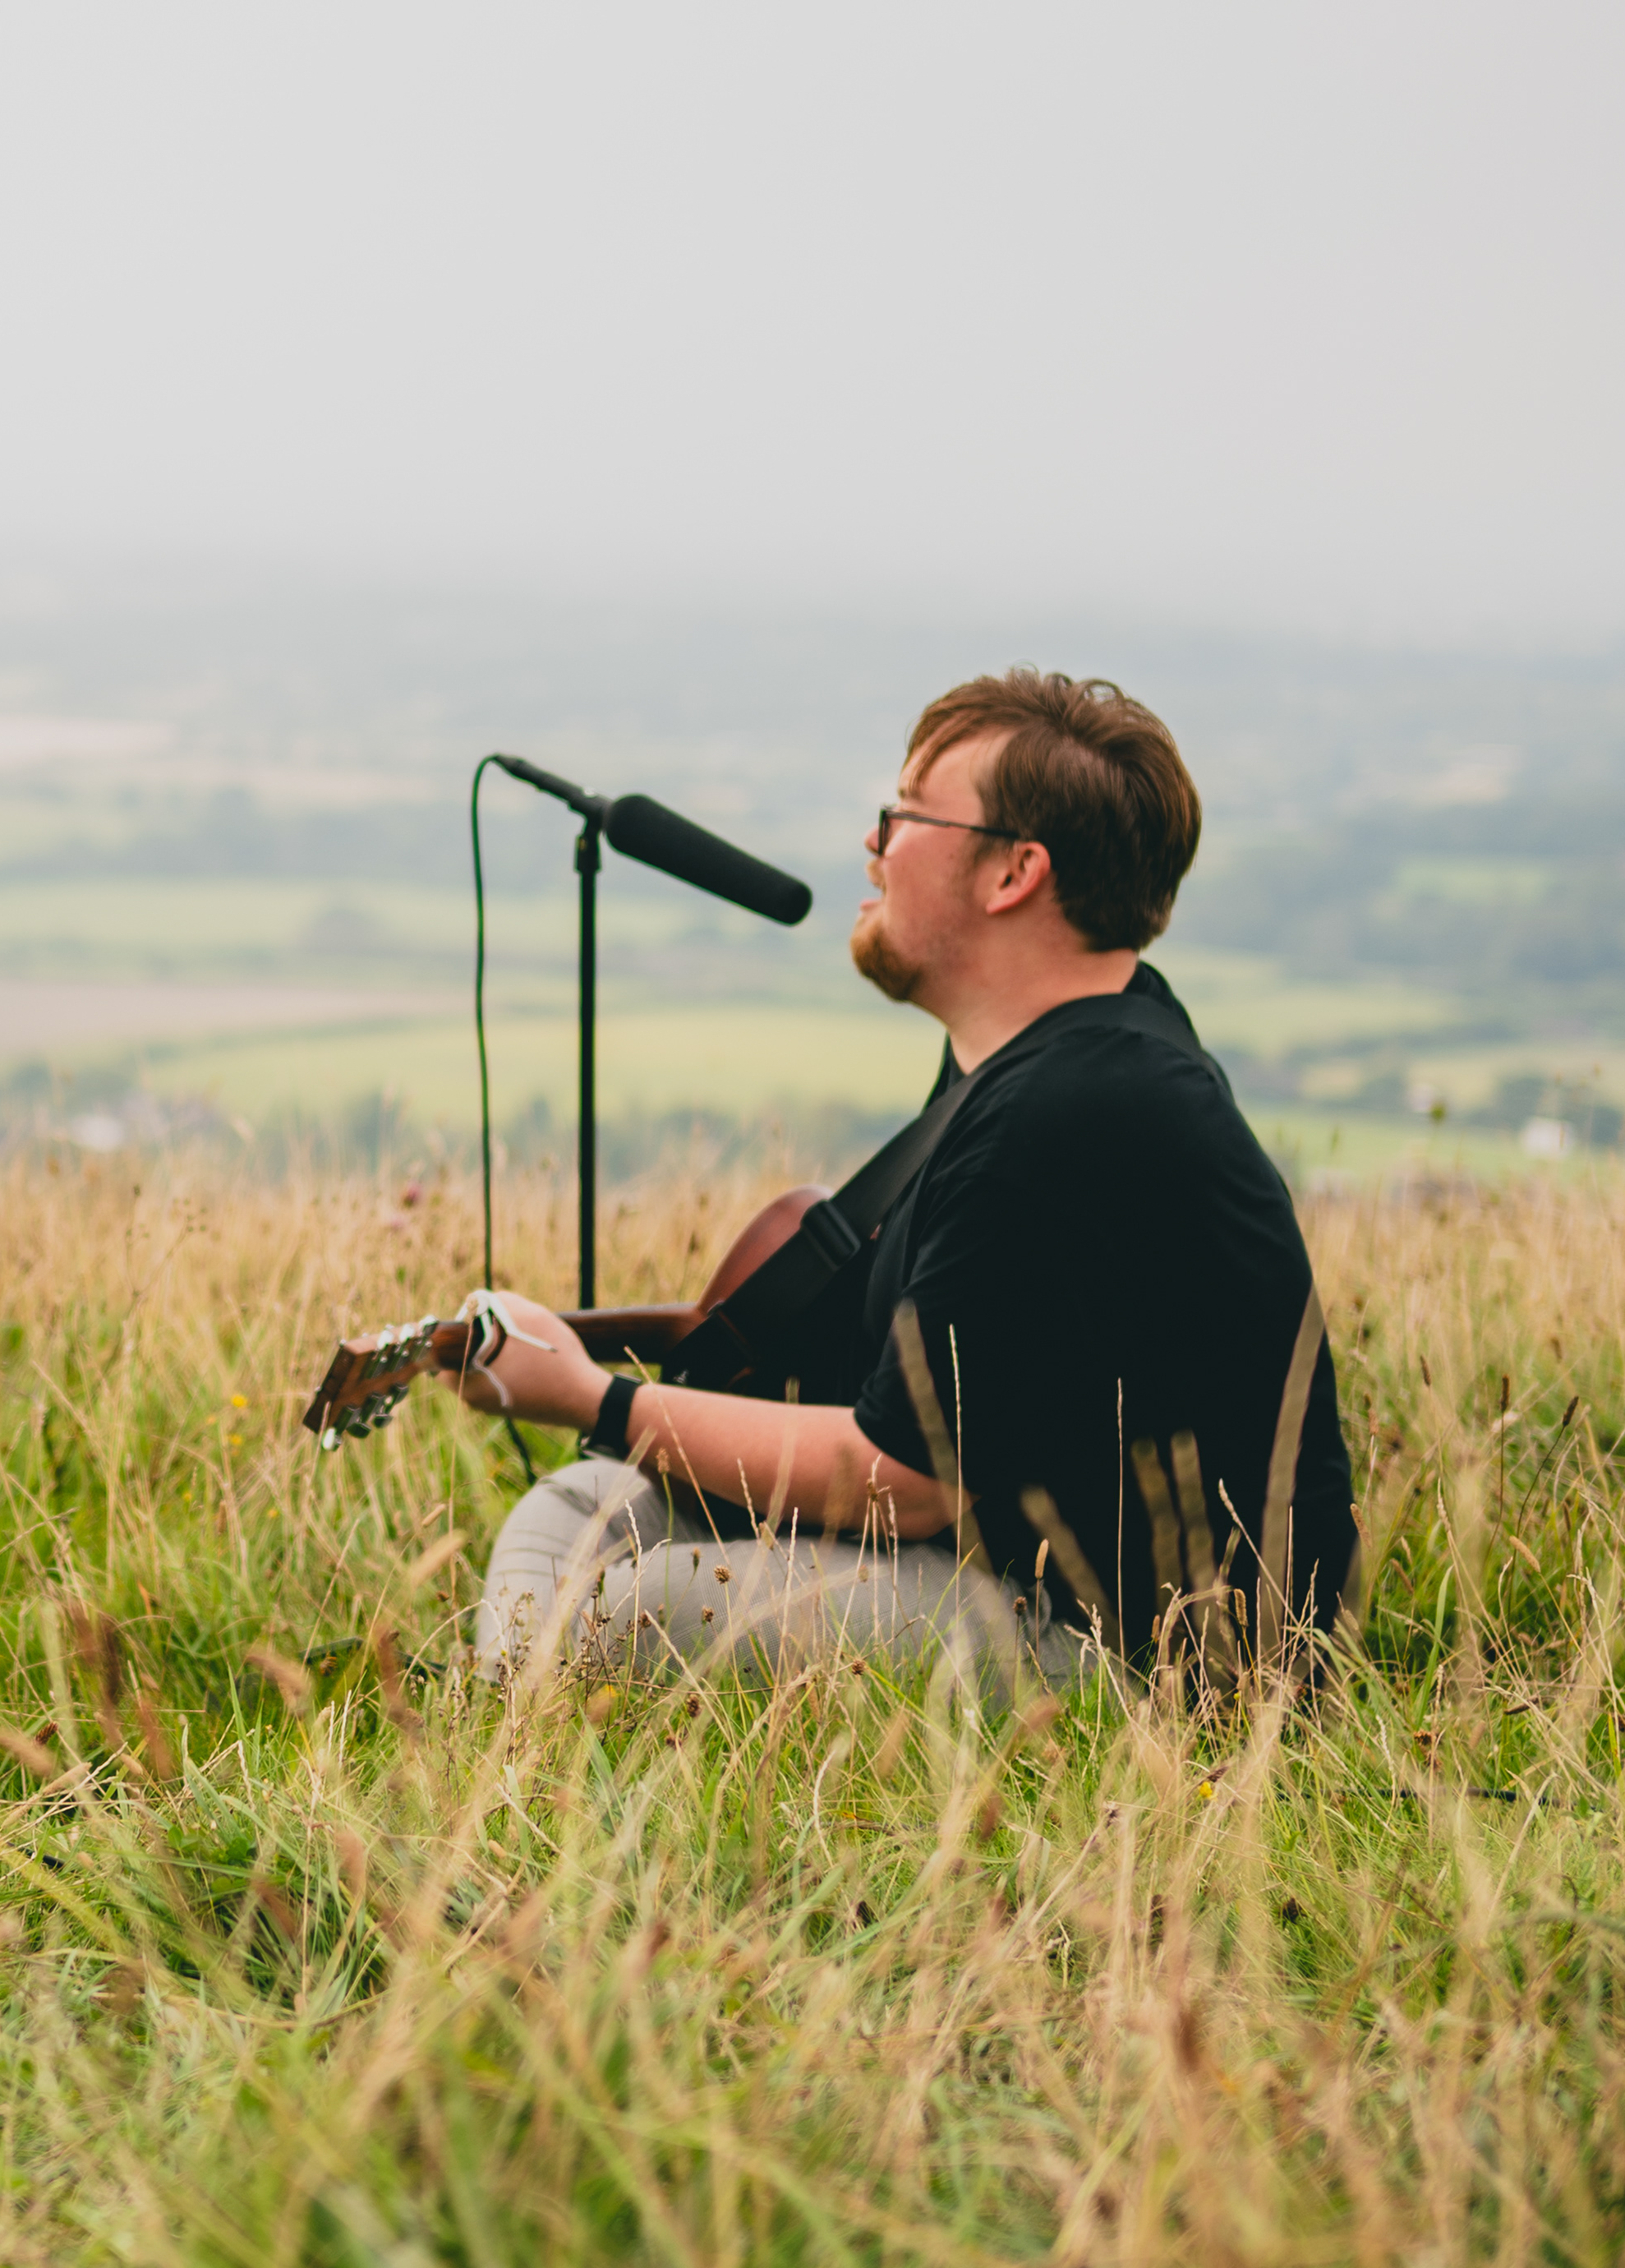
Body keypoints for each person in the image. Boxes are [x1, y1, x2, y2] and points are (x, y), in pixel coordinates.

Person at [462, 671, 1355, 1694]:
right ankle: (516, 1704)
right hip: (988, 1553)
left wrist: (594, 1396)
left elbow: (906, 1480)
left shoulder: (1076, 1108)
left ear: (1013, 871)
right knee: (580, 1508)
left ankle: (517, 1702)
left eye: (904, 815)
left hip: (1140, 1647)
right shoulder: (1031, 1060)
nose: (874, 844)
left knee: (634, 1612)